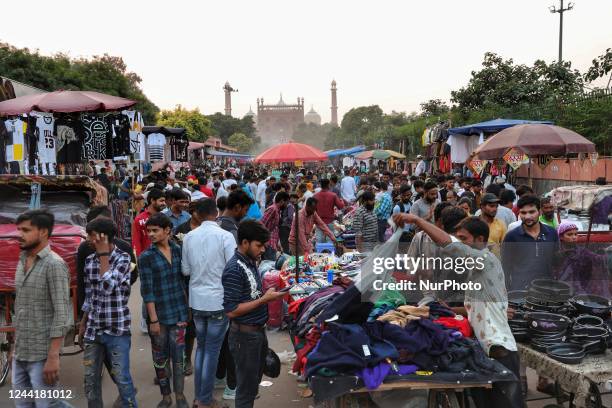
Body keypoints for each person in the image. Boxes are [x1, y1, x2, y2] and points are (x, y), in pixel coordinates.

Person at [394, 213, 522, 408]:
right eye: (459, 237)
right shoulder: (476, 269)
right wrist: (451, 309)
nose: (460, 243)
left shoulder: (486, 260)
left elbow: (451, 246)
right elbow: (477, 307)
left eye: (464, 238)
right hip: (484, 349)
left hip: (500, 350)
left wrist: (419, 221)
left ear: (480, 240)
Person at [222, 220, 286, 408]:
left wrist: (269, 295)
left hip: (256, 332)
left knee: (252, 386)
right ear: (244, 243)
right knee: (246, 390)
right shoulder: (234, 269)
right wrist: (264, 299)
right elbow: (231, 310)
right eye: (258, 245)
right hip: (244, 337)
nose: (262, 250)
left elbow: (251, 295)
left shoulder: (249, 262)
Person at [13, 210, 73, 408]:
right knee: (23, 404)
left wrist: (53, 357)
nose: (19, 234)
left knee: (47, 404)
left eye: (26, 230)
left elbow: (62, 314)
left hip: (42, 355)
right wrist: (15, 347)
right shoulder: (22, 261)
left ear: (44, 232)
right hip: (21, 352)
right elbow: (21, 308)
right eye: (19, 229)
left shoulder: (54, 265)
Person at [182, 199, 236, 408]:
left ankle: (200, 397)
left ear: (198, 215)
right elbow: (232, 270)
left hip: (197, 300)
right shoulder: (225, 236)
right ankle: (204, 399)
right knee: (210, 350)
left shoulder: (188, 237)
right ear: (216, 213)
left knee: (202, 348)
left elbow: (186, 270)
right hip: (218, 301)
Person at [79, 217, 137, 407]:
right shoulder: (89, 260)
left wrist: (103, 255)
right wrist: (82, 325)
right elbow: (90, 296)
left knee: (122, 379)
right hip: (93, 330)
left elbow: (107, 286)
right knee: (90, 382)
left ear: (103, 237)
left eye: (91, 235)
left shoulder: (123, 258)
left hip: (117, 330)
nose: (87, 239)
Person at [139, 214, 190, 408]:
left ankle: (179, 395)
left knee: (179, 358)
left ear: (167, 230)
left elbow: (183, 282)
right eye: (149, 230)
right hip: (158, 316)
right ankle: (166, 396)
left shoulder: (178, 250)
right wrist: (153, 320)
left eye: (155, 230)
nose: (151, 234)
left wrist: (188, 310)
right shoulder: (146, 257)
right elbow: (147, 291)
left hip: (178, 312)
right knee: (160, 359)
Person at [502, 195, 559, 291]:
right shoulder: (512, 237)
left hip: (547, 289)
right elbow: (506, 268)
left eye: (532, 212)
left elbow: (556, 262)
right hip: (520, 290)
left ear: (540, 212)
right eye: (523, 213)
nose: (527, 216)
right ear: (519, 214)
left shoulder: (551, 233)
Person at [554, 221, 610, 298]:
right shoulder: (555, 252)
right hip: (559, 288)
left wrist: (607, 252)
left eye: (576, 234)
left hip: (577, 288)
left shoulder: (582, 252)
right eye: (569, 234)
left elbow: (596, 258)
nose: (574, 237)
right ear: (561, 236)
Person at [132, 188, 167, 257]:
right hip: (146, 259)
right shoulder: (139, 219)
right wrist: (138, 260)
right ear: (152, 200)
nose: (164, 203)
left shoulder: (164, 218)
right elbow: (136, 242)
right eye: (161, 201)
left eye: (164, 201)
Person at [313, 179, 345, 243]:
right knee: (329, 240)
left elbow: (313, 209)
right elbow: (340, 206)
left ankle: (319, 252)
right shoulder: (333, 195)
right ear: (328, 185)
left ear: (321, 186)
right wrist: (341, 200)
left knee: (319, 240)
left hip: (319, 220)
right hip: (329, 220)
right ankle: (330, 252)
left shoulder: (315, 196)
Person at [478, 193, 507, 257]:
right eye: (491, 206)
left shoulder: (501, 224)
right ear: (482, 206)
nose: (495, 209)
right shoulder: (473, 223)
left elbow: (505, 248)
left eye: (496, 206)